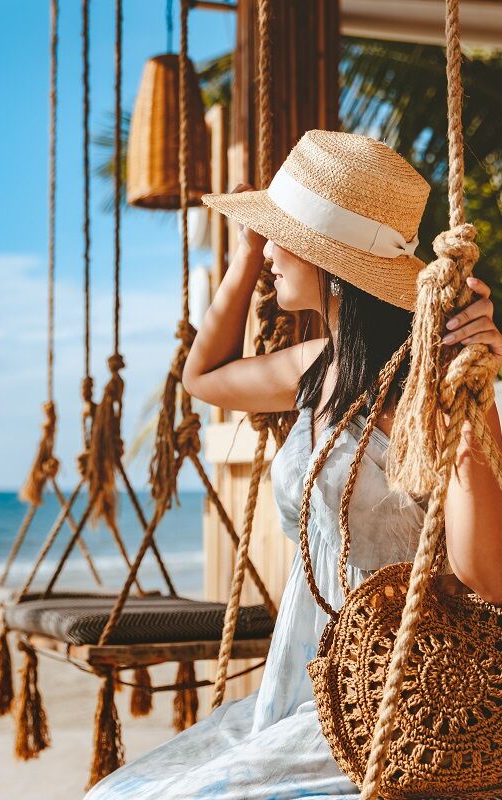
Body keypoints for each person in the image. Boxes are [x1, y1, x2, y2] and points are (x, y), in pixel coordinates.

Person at [84, 130, 502, 799]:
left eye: (282, 236)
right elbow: (205, 376)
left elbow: (488, 572)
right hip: (306, 677)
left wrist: (470, 390)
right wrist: (249, 249)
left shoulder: (436, 388)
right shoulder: (322, 369)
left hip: (402, 690)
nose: (270, 249)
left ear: (330, 259)